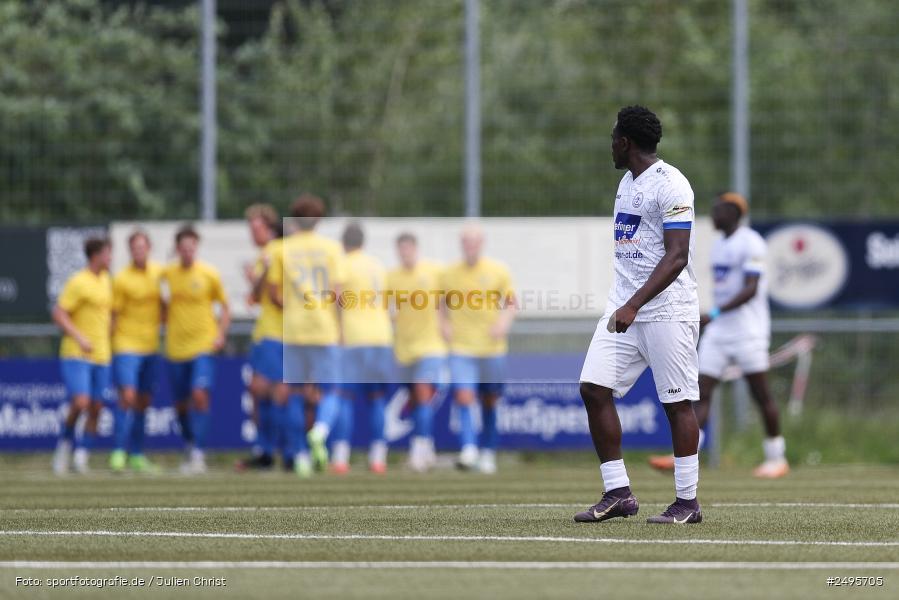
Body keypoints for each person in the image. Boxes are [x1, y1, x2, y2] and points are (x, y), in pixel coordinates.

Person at [575, 105, 702, 525]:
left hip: (666, 311)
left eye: (613, 139)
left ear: (625, 142)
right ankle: (618, 493)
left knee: (677, 405)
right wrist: (624, 304)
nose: (610, 146)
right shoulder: (627, 182)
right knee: (593, 388)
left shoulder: (672, 185)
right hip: (624, 308)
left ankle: (687, 503)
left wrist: (634, 304)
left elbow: (677, 256)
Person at [649, 192, 788, 478]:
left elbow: (751, 289)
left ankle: (777, 458)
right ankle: (687, 454)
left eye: (717, 210)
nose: (712, 215)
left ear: (734, 212)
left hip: (748, 331)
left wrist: (712, 314)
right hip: (721, 331)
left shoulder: (751, 242)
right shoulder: (718, 245)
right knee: (701, 391)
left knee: (760, 393)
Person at [268, 194, 346, 476]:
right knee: (331, 390)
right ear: (319, 220)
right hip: (323, 327)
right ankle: (321, 432)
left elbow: (275, 295)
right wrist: (341, 328)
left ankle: (299, 454)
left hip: (294, 330)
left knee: (295, 394)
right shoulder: (331, 248)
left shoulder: (281, 249)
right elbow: (337, 293)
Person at [439, 223, 516, 474]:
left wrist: (503, 323)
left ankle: (488, 452)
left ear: (481, 244)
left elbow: (511, 303)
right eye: (465, 242)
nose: (470, 246)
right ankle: (468, 449)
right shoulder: (449, 273)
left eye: (474, 242)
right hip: (461, 348)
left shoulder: (498, 271)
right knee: (463, 397)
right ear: (461, 245)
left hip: (491, 348)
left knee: (490, 401)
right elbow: (440, 303)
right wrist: (444, 325)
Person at [163, 225, 231, 474]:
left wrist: (220, 334)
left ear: (196, 248)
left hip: (203, 345)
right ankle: (190, 444)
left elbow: (225, 307)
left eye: (192, 247)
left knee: (200, 395)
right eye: (184, 247)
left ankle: (199, 452)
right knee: (181, 405)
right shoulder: (167, 274)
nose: (188, 251)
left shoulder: (209, 274)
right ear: (178, 248)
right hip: (175, 348)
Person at [330, 222, 394, 474]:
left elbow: (336, 297)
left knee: (344, 397)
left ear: (343, 243)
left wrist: (339, 330)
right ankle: (378, 458)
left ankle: (341, 458)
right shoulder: (377, 265)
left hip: (354, 337)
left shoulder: (343, 263)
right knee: (377, 399)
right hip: (381, 337)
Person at [52, 237, 114, 475]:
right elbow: (59, 314)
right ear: (96, 256)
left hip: (103, 355)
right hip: (76, 353)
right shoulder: (78, 281)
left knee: (97, 406)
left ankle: (82, 455)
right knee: (81, 402)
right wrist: (79, 337)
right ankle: (65, 445)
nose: (110, 259)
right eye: (107, 254)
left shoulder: (108, 281)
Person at [386, 232, 446, 472]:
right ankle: (427, 448)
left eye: (408, 249)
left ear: (415, 249)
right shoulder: (391, 277)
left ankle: (418, 452)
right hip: (404, 349)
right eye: (401, 250)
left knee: (423, 395)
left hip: (430, 347)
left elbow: (448, 300)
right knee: (414, 400)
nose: (405, 254)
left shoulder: (433, 272)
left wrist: (445, 323)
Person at [236, 204, 288, 471]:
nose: (252, 233)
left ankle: (286, 451)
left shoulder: (274, 251)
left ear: (268, 229)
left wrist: (259, 279)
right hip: (267, 332)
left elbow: (277, 298)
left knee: (274, 392)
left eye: (255, 228)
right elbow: (256, 298)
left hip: (276, 334)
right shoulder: (267, 253)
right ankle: (269, 451)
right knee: (261, 392)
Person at [109, 230, 163, 473]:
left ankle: (138, 454)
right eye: (134, 248)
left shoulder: (159, 274)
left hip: (150, 346)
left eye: (142, 247)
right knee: (127, 398)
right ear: (130, 251)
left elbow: (166, 306)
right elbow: (113, 314)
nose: (139, 251)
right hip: (126, 345)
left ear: (149, 248)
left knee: (143, 402)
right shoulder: (121, 279)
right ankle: (119, 452)